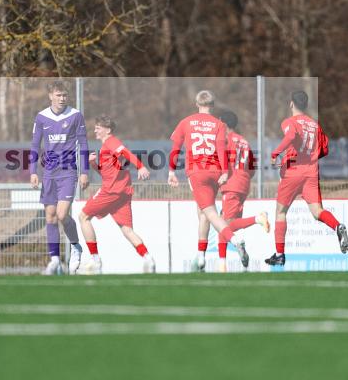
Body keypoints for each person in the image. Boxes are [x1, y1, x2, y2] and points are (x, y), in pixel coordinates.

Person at [168, 90, 250, 270]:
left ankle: (236, 241)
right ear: (212, 106)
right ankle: (201, 257)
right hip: (213, 171)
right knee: (203, 212)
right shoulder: (219, 124)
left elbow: (176, 148)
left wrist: (171, 171)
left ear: (197, 104)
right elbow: (221, 149)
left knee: (210, 213)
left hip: (197, 172)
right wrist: (223, 172)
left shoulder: (186, 122)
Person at [266, 91, 348, 267]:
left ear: (291, 104)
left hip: (292, 172)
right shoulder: (314, 124)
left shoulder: (290, 122)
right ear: (306, 105)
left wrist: (275, 153)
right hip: (311, 172)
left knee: (280, 213)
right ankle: (337, 226)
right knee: (317, 211)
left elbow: (290, 136)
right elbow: (325, 148)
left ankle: (280, 254)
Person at [77, 115, 155, 274]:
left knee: (83, 217)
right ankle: (148, 258)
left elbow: (126, 152)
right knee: (127, 230)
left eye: (99, 127)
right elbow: (105, 173)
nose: (95, 130)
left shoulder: (111, 142)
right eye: (95, 127)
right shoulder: (106, 148)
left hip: (111, 191)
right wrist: (93, 163)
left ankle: (95, 259)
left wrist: (141, 166)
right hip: (123, 193)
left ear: (108, 130)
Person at [29, 80, 89, 275]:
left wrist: (84, 171)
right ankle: (54, 260)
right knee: (51, 216)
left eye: (64, 95)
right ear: (50, 96)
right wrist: (32, 171)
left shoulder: (75, 116)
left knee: (62, 215)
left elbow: (84, 145)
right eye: (58, 95)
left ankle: (76, 246)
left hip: (68, 172)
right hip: (49, 173)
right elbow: (35, 146)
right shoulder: (41, 117)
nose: (62, 98)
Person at [198, 110, 269, 272]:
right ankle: (222, 264)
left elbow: (219, 159)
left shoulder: (225, 139)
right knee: (227, 225)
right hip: (244, 183)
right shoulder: (244, 141)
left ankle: (258, 218)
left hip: (231, 183)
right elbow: (252, 168)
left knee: (225, 224)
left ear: (223, 123)